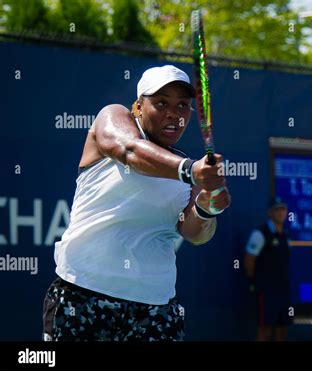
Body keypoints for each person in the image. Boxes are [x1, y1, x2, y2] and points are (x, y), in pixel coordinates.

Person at [42, 65, 231, 341]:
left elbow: (195, 233)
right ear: (138, 107)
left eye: (183, 106)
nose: (173, 114)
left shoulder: (185, 171)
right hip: (82, 297)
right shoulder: (112, 118)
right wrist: (190, 170)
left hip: (156, 309)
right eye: (161, 103)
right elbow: (130, 151)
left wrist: (208, 206)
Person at [243, 196, 291, 341]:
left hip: (284, 291)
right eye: (276, 210)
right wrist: (254, 282)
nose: (280, 212)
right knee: (265, 330)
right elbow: (248, 260)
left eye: (283, 209)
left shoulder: (286, 236)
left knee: (282, 330)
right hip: (266, 292)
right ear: (270, 213)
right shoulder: (260, 234)